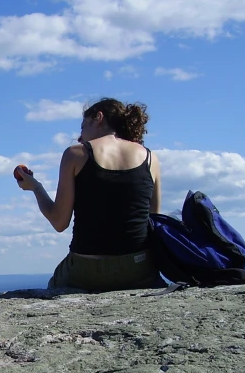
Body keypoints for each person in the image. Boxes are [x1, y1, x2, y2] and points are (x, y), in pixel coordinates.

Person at [16, 97, 162, 291]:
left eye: (83, 127)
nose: (80, 137)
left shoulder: (76, 154)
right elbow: (155, 220)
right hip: (138, 269)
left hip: (88, 270)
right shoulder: (151, 158)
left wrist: (36, 187)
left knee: (55, 284)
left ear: (98, 118)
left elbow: (59, 222)